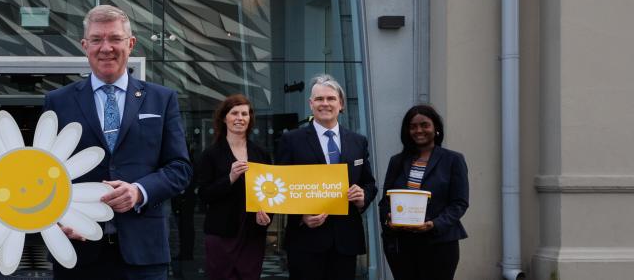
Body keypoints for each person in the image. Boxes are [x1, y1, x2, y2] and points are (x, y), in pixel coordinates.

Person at [43, 4, 193, 279]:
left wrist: (139, 191)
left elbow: (180, 168)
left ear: (131, 43)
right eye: (97, 39)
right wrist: (59, 218)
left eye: (115, 38)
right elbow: (46, 173)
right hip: (78, 249)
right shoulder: (58, 101)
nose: (106, 47)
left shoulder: (162, 99)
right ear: (85, 45)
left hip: (143, 253)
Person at [275, 74, 376, 280]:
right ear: (311, 104)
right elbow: (280, 185)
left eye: (331, 98)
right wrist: (301, 216)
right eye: (319, 99)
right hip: (305, 239)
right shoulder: (291, 140)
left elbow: (369, 183)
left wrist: (363, 195)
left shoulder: (358, 141)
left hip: (346, 240)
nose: (325, 104)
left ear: (341, 104)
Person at [378, 104, 469, 280]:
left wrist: (434, 224)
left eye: (424, 125)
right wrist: (388, 220)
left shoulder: (453, 160)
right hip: (401, 245)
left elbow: (459, 203)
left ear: (436, 128)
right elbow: (385, 202)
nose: (419, 130)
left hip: (439, 244)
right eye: (413, 126)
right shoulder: (397, 161)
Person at [196, 94, 272, 280]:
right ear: (224, 118)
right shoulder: (210, 154)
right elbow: (204, 195)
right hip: (222, 234)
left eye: (244, 114)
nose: (240, 118)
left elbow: (271, 191)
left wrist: (268, 216)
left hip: (253, 233)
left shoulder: (261, 153)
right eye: (234, 113)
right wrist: (230, 178)